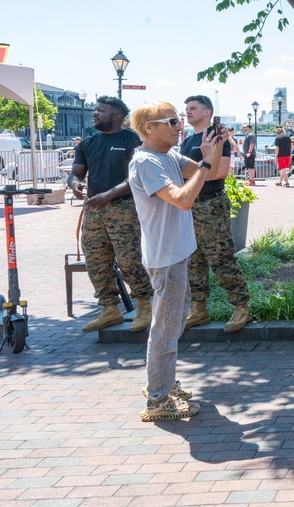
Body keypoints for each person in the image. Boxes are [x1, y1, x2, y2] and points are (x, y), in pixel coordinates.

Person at [129, 101, 225, 421]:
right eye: (170, 121)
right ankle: (158, 398)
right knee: (166, 329)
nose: (178, 125)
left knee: (175, 320)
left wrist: (211, 148)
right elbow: (184, 199)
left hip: (177, 253)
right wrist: (207, 164)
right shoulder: (146, 162)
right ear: (148, 128)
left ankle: (164, 383)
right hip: (166, 258)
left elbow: (197, 169)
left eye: (177, 120)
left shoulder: (167, 155)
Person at [67, 96, 154, 333]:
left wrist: (109, 195)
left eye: (100, 110)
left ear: (116, 117)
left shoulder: (132, 140)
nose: (94, 113)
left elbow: (136, 177)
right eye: (95, 109)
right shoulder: (87, 143)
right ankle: (110, 309)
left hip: (124, 210)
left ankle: (145, 306)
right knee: (95, 261)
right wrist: (74, 183)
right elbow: (75, 173)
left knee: (129, 261)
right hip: (94, 211)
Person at [179, 95, 252, 333]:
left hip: (211, 205)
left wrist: (193, 174)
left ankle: (241, 307)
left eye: (193, 108)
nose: (188, 112)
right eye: (186, 108)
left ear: (207, 112)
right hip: (190, 204)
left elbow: (220, 172)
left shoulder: (218, 137)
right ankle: (199, 309)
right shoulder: (188, 140)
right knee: (193, 260)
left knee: (221, 258)